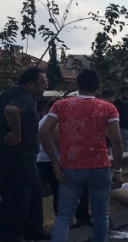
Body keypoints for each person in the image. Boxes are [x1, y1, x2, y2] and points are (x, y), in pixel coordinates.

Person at [40, 69, 124, 242]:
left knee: (64, 214)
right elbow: (117, 141)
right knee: (100, 214)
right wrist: (118, 169)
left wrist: (54, 162)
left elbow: (43, 132)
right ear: (99, 87)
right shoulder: (108, 108)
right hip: (99, 166)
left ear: (77, 85)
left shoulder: (60, 105)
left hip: (70, 167)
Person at [0, 66, 48, 242]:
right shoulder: (22, 96)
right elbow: (12, 110)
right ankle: (8, 237)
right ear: (30, 84)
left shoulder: (7, 94)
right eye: (42, 83)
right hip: (14, 155)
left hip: (19, 156)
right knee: (16, 195)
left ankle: (34, 230)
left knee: (34, 191)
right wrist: (17, 133)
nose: (44, 87)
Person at [37, 98, 92, 229]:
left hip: (51, 159)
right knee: (63, 189)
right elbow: (59, 143)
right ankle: (72, 218)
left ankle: (78, 216)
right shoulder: (52, 121)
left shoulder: (48, 119)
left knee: (67, 188)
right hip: (52, 160)